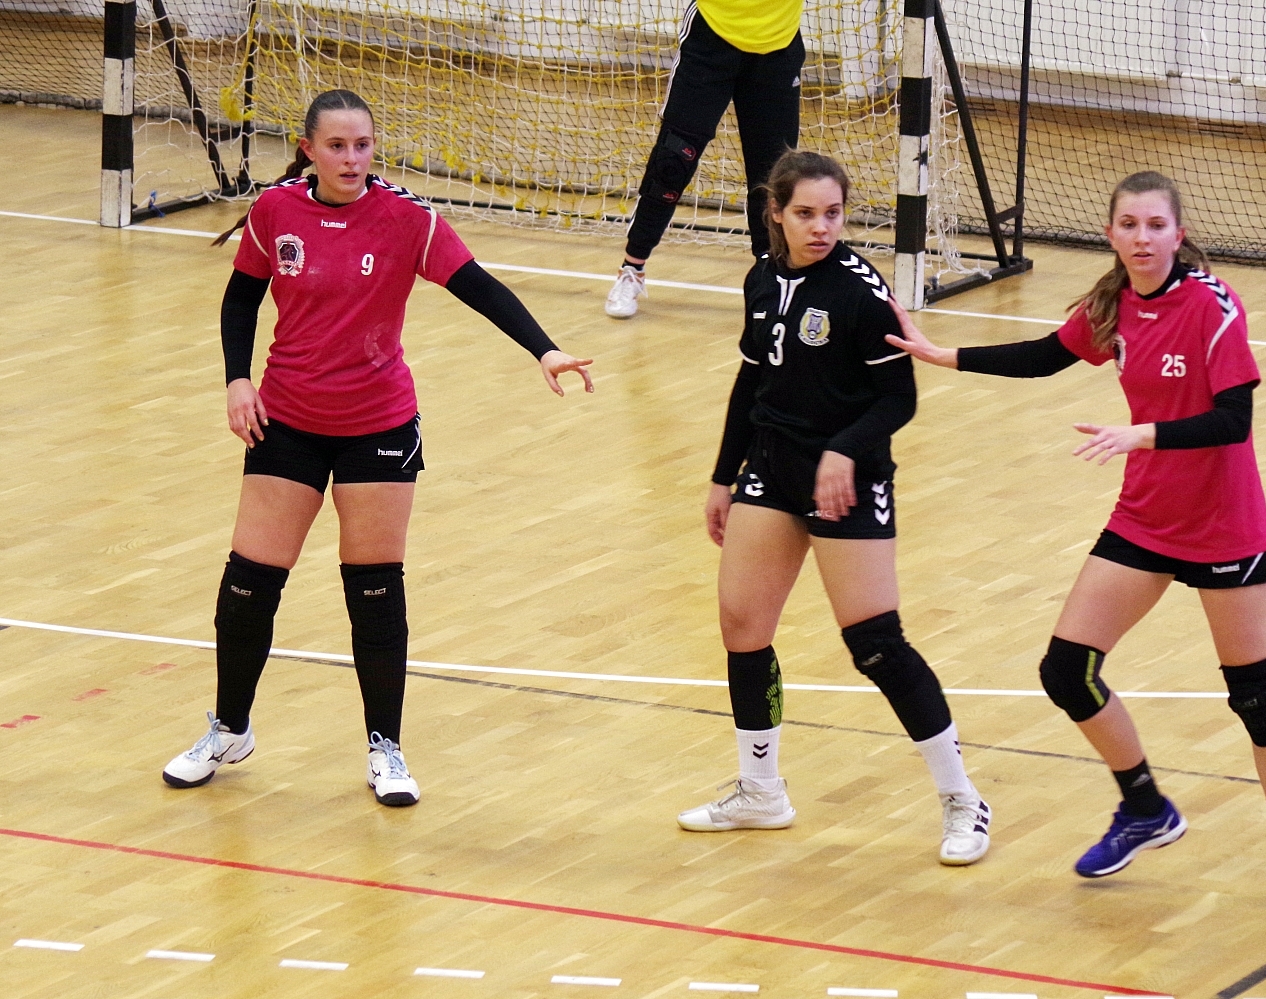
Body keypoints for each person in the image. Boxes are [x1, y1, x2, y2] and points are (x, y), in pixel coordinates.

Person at [883, 170, 1266, 917]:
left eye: (1156, 225)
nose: (1142, 238)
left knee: (1254, 696)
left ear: (1178, 234)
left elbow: (1233, 421)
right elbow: (1045, 355)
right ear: (1111, 234)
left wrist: (1140, 435)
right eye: (1129, 225)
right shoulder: (1113, 305)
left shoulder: (1212, 306)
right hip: (1146, 519)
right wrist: (942, 354)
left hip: (1225, 525)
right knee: (1066, 670)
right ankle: (1145, 805)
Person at [161, 89, 594, 806]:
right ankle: (229, 728)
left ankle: (385, 747)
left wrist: (544, 350)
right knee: (247, 585)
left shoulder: (407, 220)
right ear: (308, 149)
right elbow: (241, 298)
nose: (352, 158)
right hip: (287, 420)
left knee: (373, 588)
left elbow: (478, 286)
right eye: (336, 146)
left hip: (378, 426)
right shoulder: (276, 212)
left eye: (362, 145)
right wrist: (238, 380)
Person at [677, 149, 991, 866]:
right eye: (806, 214)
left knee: (875, 642)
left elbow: (899, 398)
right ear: (776, 214)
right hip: (773, 470)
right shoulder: (762, 279)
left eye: (833, 213)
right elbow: (750, 382)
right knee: (742, 625)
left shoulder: (860, 294)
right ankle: (761, 790)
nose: (821, 227)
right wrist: (723, 476)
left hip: (846, 481)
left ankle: (963, 798)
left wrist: (845, 451)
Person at [603, 0, 806, 319]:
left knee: (772, 175)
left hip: (778, 45)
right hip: (711, 37)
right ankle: (632, 268)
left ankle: (773, 280)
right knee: (673, 161)